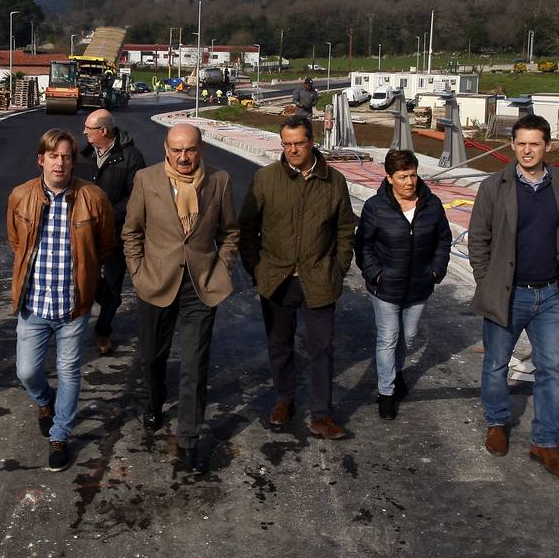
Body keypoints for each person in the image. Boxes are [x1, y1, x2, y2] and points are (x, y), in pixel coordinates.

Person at [468, 114, 559, 480]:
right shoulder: (494, 186)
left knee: (552, 368)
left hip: (551, 295)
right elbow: (478, 240)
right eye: (520, 143)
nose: (527, 150)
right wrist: (488, 282)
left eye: (534, 143)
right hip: (508, 293)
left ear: (547, 146)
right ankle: (497, 422)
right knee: (496, 365)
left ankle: (546, 443)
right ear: (512, 146)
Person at [123, 123, 239, 474]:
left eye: (190, 149)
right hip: (156, 283)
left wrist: (222, 267)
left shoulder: (219, 181)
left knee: (194, 364)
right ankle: (155, 403)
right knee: (151, 356)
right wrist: (139, 274)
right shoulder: (146, 179)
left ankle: (188, 437)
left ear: (200, 149)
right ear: (166, 149)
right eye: (177, 150)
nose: (184, 157)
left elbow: (230, 232)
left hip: (200, 286)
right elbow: (131, 232)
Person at [239, 116, 356, 439]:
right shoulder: (265, 179)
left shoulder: (334, 181)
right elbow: (247, 228)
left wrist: (339, 266)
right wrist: (256, 268)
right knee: (280, 345)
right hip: (276, 278)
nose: (292, 150)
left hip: (319, 278)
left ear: (312, 141)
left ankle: (321, 415)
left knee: (322, 349)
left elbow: (345, 229)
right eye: (287, 144)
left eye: (299, 143)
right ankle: (284, 400)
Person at [6, 129, 114, 472]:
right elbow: (15, 242)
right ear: (42, 159)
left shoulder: (93, 197)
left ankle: (60, 434)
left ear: (73, 160)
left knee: (69, 371)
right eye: (53, 156)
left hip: (73, 305)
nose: (60, 162)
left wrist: (86, 275)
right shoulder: (20, 196)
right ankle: (44, 401)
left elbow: (105, 245)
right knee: (27, 371)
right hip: (34, 304)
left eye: (66, 156)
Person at [354, 149, 452, 420]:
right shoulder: (375, 207)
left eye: (413, 175)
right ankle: (386, 392)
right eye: (403, 176)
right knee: (388, 338)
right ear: (389, 178)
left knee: (407, 337)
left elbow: (443, 240)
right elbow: (363, 245)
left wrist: (435, 271)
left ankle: (396, 374)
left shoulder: (432, 205)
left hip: (420, 286)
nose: (410, 182)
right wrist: (376, 274)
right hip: (385, 288)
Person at [75, 108, 146, 355]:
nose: (84, 132)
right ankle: (99, 310)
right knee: (86, 280)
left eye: (89, 128)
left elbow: (136, 197)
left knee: (114, 284)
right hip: (85, 233)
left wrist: (105, 216)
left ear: (103, 131)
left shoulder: (132, 157)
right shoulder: (84, 157)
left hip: (117, 235)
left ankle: (103, 332)